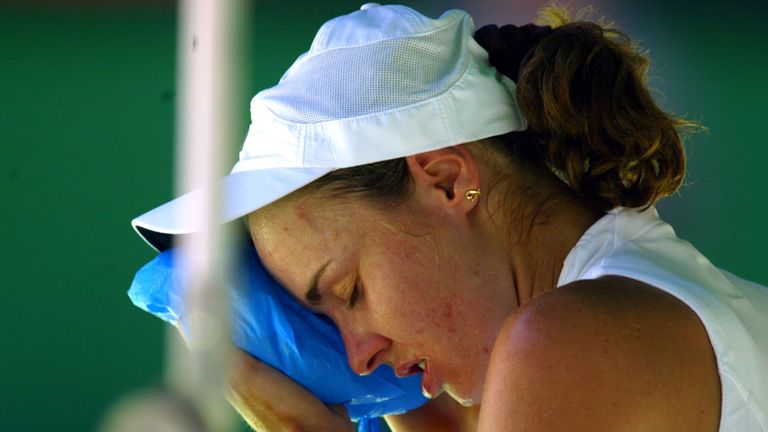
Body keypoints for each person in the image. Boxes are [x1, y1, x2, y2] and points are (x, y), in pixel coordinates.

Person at [132, 3, 768, 431]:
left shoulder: (564, 341)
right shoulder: (661, 307)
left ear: (446, 179)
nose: (359, 358)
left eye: (350, 292)